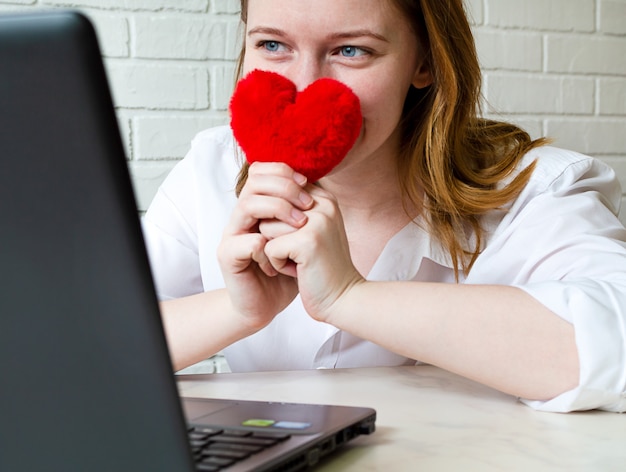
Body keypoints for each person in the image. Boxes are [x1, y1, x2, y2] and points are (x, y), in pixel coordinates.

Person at [141, 0, 626, 413]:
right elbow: (81, 343)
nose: (306, 86)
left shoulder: (535, 187)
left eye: (352, 50)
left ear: (425, 61)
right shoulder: (213, 168)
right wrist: (236, 309)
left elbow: (617, 344)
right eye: (272, 45)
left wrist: (349, 297)